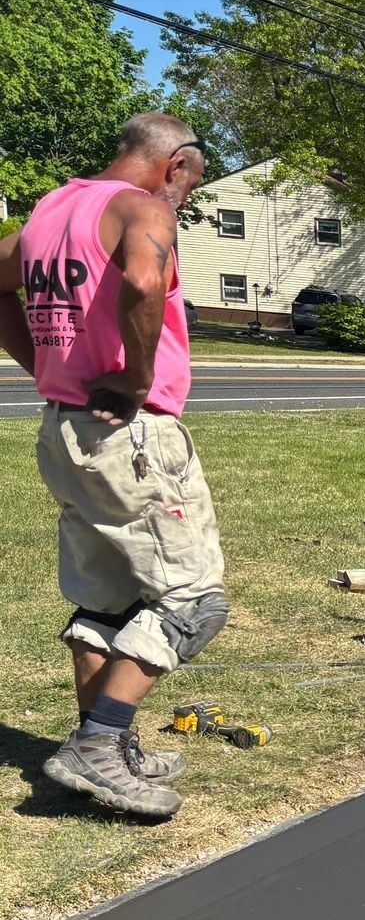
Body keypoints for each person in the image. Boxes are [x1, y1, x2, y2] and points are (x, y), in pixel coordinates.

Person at [0, 113, 225, 820]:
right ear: (176, 165)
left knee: (107, 600)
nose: (183, 202)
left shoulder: (52, 211)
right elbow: (142, 282)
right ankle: (100, 743)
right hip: (128, 432)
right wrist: (132, 378)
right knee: (192, 601)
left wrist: (42, 366)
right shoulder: (143, 208)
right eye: (189, 186)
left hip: (65, 430)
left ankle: (102, 748)